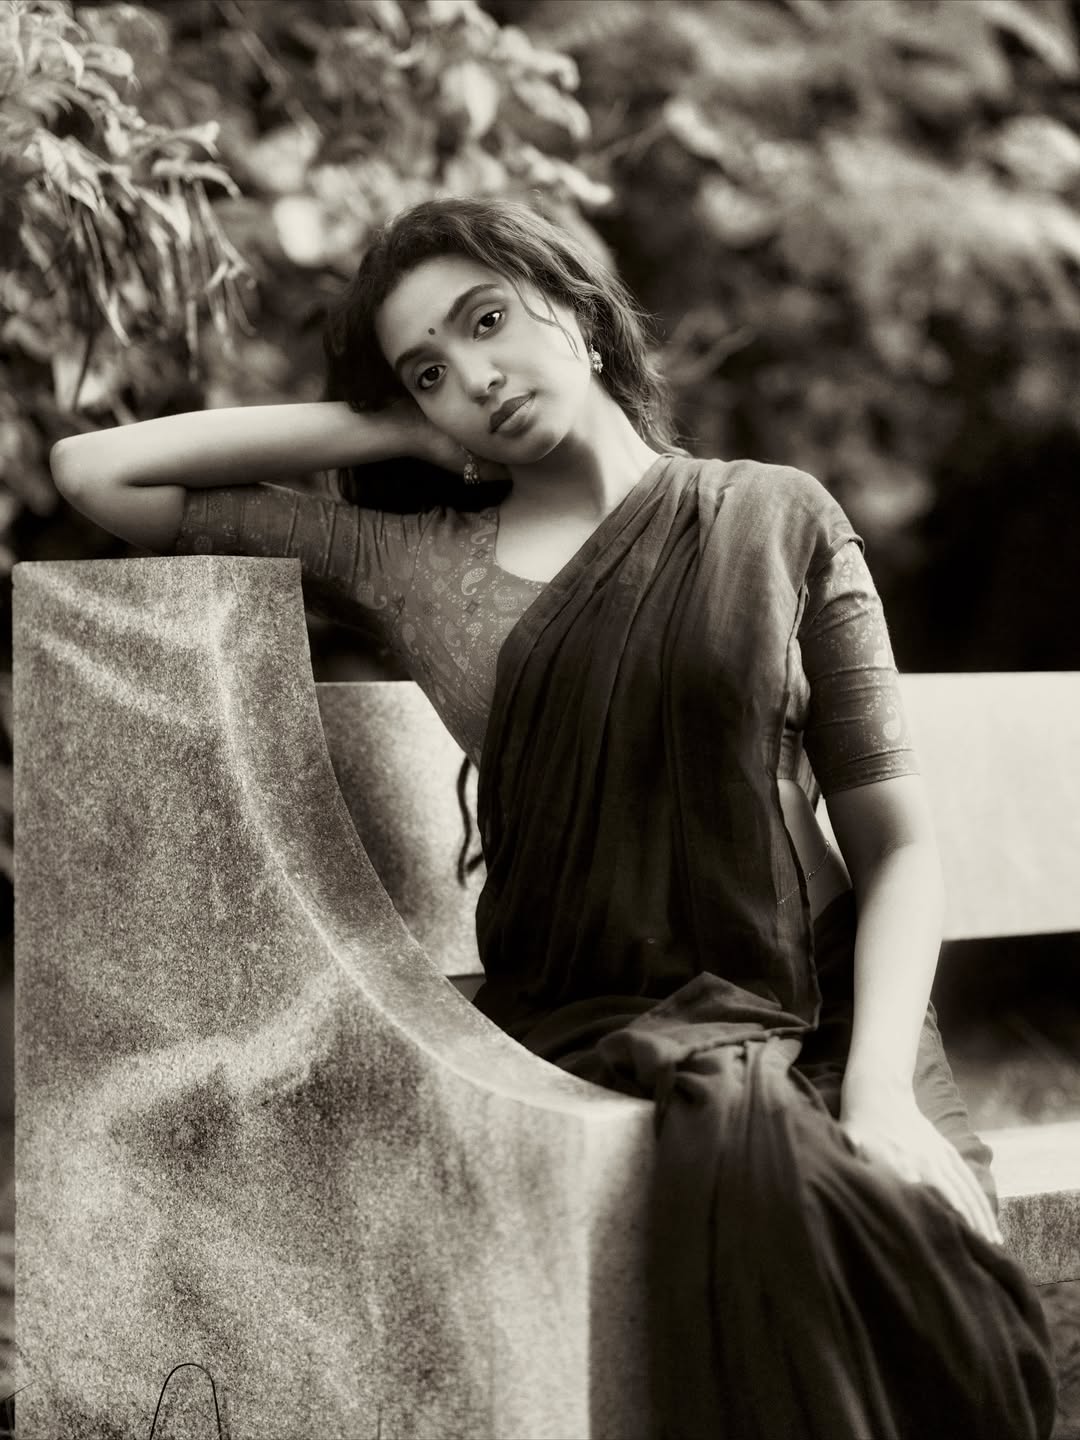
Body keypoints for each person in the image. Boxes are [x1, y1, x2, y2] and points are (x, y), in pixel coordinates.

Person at [50, 196, 1056, 1438]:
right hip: (592, 1027)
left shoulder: (778, 516)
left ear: (578, 306)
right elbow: (96, 473)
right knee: (784, 1205)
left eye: (487, 321)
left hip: (832, 1018)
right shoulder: (415, 563)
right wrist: (388, 423)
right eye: (429, 368)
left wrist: (885, 1097)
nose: (473, 376)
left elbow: (897, 849)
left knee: (911, 1240)